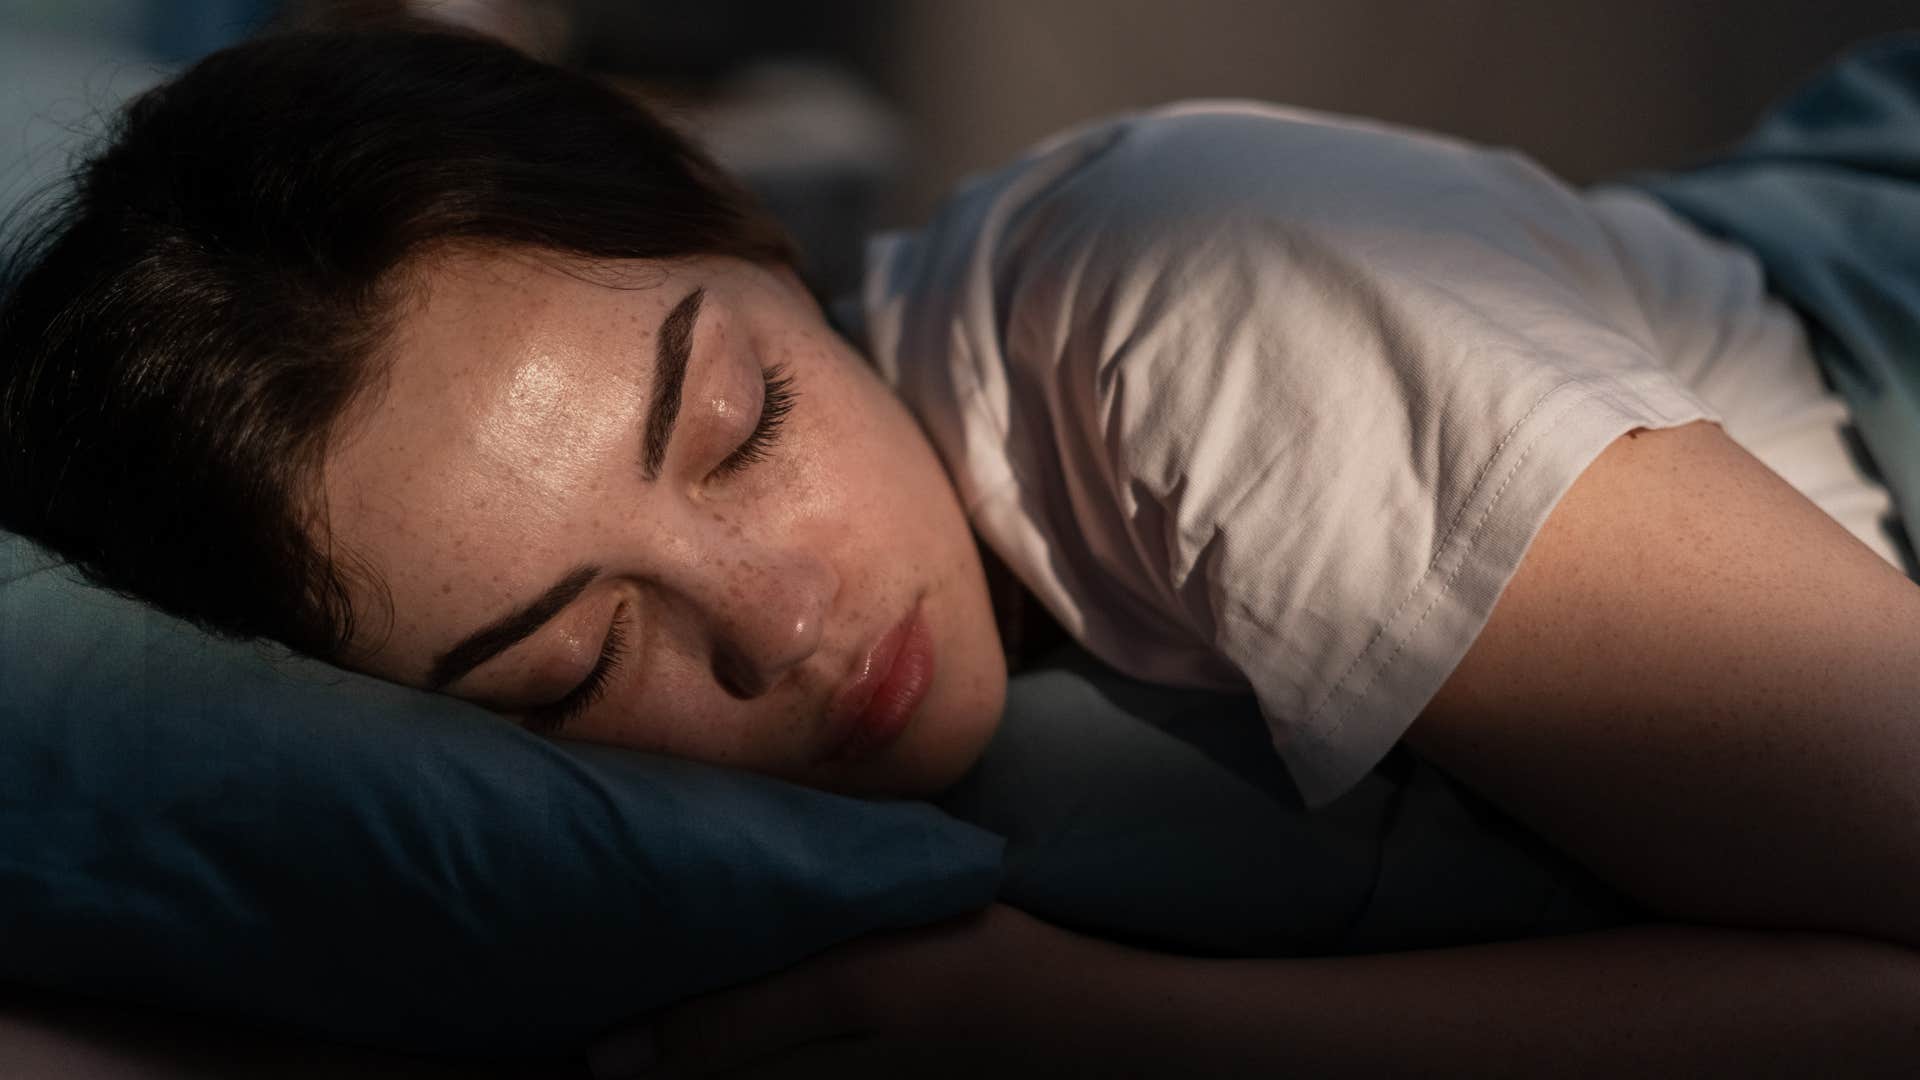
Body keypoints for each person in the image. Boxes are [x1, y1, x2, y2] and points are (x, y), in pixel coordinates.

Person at [3, 22, 1918, 1077]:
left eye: (739, 426)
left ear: (733, 214)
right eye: (582, 668)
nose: (787, 624)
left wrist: (1060, 1022)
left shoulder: (1200, 303)